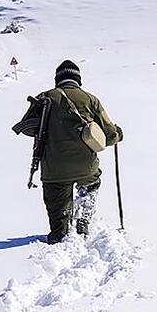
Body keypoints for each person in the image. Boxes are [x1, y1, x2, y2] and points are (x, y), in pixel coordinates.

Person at [36, 60, 122, 244]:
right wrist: (118, 134)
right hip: (85, 166)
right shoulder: (90, 99)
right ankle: (83, 220)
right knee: (90, 184)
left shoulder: (45, 98)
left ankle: (59, 235)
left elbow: (28, 128)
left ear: (57, 79)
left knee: (57, 206)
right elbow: (109, 135)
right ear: (78, 79)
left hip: (54, 169)